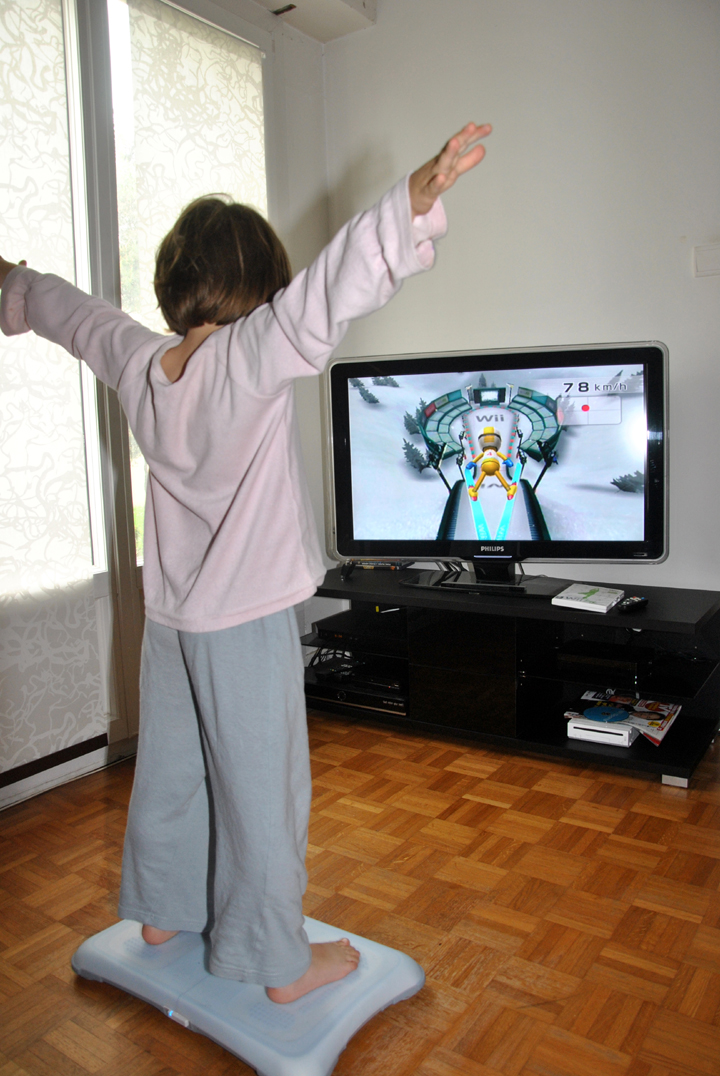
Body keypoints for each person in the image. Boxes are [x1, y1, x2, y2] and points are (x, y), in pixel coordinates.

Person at [0, 121, 491, 1003]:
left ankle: (161, 909)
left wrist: (12, 284)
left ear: (172, 286)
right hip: (246, 622)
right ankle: (276, 962)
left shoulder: (143, 363)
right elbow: (330, 291)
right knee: (264, 794)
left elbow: (77, 317)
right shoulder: (254, 354)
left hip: (172, 623)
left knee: (173, 768)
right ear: (266, 289)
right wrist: (408, 206)